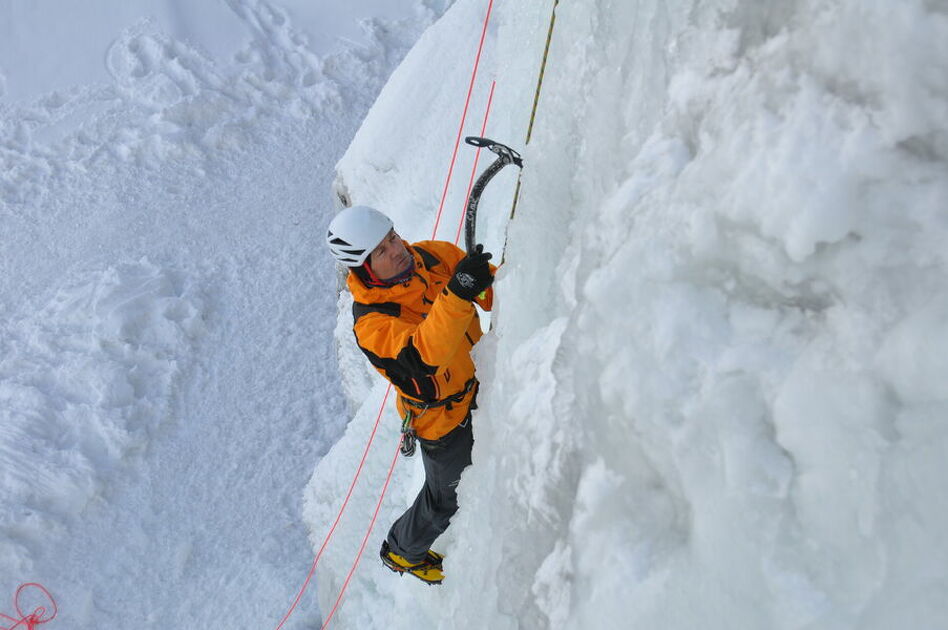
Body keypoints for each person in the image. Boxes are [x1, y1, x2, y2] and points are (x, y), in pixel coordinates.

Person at [325, 205, 495, 584]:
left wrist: (482, 282)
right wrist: (457, 292)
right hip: (442, 421)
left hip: (483, 378)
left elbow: (488, 291)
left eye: (391, 238)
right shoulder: (372, 324)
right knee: (445, 500)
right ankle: (403, 551)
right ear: (364, 269)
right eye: (381, 251)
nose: (397, 249)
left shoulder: (432, 256)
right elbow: (423, 357)